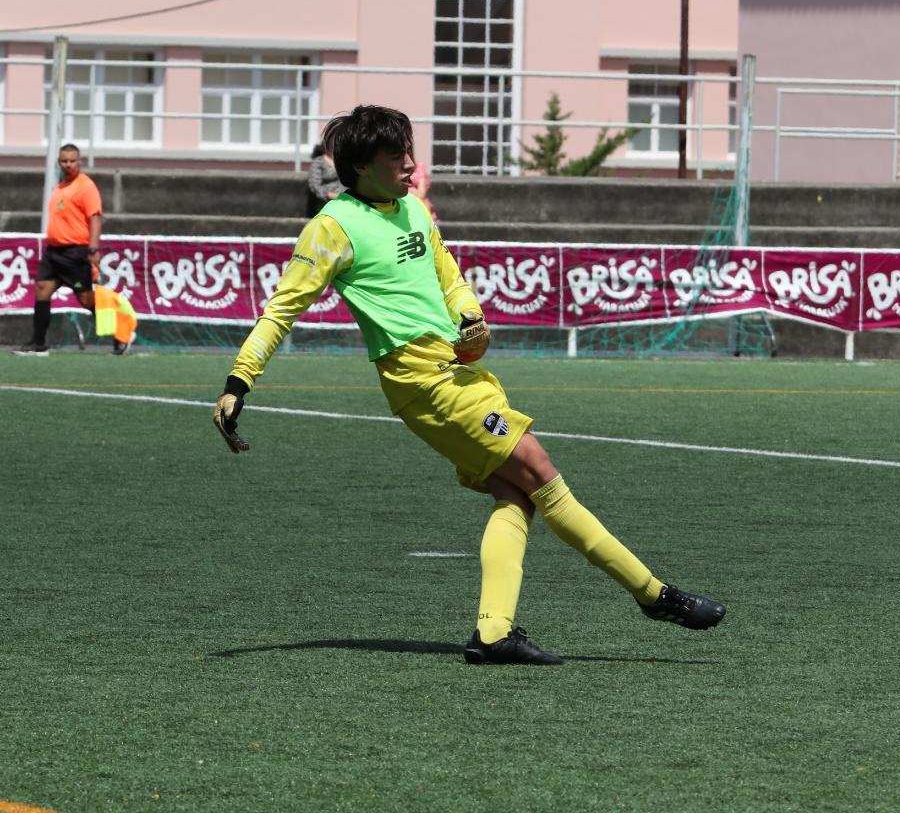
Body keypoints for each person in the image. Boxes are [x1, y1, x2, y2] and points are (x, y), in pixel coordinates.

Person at [213, 105, 725, 665]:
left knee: (517, 495)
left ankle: (493, 634)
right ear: (360, 166)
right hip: (424, 382)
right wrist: (240, 380)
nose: (411, 165)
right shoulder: (333, 227)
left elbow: (448, 274)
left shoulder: (413, 207)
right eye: (396, 156)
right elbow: (281, 310)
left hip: (460, 373)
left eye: (409, 152)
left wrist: (469, 315)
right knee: (540, 470)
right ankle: (654, 595)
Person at [14, 143, 126, 356]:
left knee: (86, 300)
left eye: (72, 161)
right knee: (42, 290)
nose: (68, 165)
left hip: (75, 253)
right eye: (64, 161)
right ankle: (38, 343)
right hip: (53, 252)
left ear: (79, 162)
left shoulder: (86, 186)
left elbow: (95, 217)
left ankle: (121, 331)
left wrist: (93, 248)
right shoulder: (58, 188)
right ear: (59, 163)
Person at [307, 142, 342, 212]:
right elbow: (315, 185)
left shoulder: (343, 161)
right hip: (326, 202)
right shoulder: (318, 162)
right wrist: (329, 194)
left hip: (345, 200)